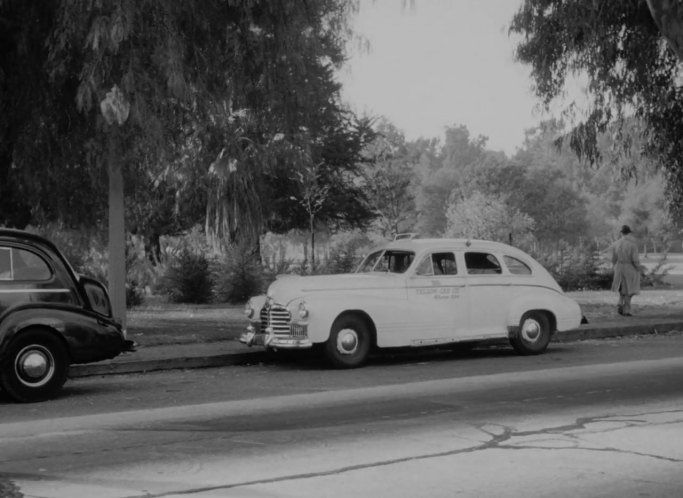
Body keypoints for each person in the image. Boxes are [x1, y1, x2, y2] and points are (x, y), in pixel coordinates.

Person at [610, 225, 641, 316]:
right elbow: (635, 260)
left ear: (621, 233)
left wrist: (615, 266)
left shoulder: (616, 244)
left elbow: (613, 258)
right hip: (629, 267)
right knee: (629, 289)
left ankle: (620, 302)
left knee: (621, 287)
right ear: (629, 233)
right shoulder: (632, 245)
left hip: (619, 267)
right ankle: (626, 310)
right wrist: (639, 268)